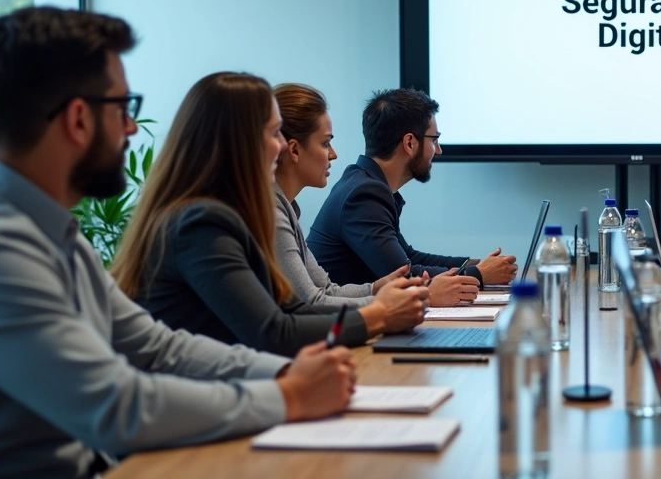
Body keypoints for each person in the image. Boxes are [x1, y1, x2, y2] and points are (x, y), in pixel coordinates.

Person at [0, 7, 356, 478]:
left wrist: (283, 375)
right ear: (78, 120)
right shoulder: (2, 249)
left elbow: (158, 348)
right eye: (124, 109)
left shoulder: (53, 233)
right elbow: (116, 405)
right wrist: (288, 396)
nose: (130, 129)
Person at [111, 72, 429, 357]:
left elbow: (295, 310)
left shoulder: (227, 212)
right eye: (275, 133)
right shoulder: (202, 223)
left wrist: (376, 301)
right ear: (241, 142)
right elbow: (275, 333)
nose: (282, 147)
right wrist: (377, 315)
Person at [308, 88, 517, 306]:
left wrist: (474, 265)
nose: (438, 150)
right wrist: (479, 274)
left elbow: (409, 258)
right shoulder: (363, 195)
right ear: (409, 143)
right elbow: (402, 275)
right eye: (434, 140)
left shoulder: (366, 184)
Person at [272, 83, 409, 307]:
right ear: (294, 150)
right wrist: (388, 302)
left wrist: (376, 288)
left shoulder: (285, 207)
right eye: (326, 143)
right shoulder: (272, 212)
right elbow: (311, 303)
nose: (333, 155)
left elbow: (325, 290)